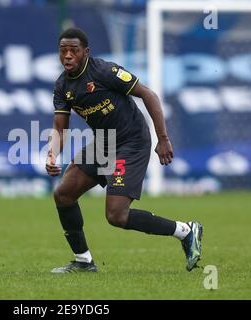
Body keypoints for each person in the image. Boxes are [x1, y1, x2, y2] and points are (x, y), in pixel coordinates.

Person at [46, 27, 203, 273]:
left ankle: (185, 231)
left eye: (73, 51)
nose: (67, 56)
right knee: (63, 194)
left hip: (131, 143)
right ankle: (83, 261)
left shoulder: (104, 71)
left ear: (85, 52)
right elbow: (60, 127)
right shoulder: (62, 86)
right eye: (63, 51)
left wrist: (163, 138)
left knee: (117, 216)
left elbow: (148, 95)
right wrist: (53, 154)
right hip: (103, 142)